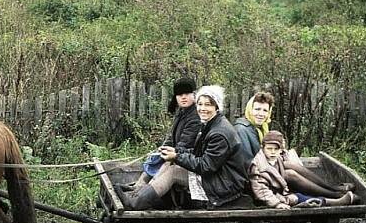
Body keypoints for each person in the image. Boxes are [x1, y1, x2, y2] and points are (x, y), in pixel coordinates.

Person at [117, 85, 249, 210]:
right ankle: (139, 194)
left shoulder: (220, 133)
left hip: (224, 185)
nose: (202, 108)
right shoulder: (211, 124)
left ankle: (136, 203)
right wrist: (176, 152)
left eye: (208, 105)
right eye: (200, 104)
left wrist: (177, 156)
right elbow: (200, 153)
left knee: (174, 171)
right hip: (217, 177)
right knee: (170, 163)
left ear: (217, 107)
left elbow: (206, 166)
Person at [124, 77, 201, 190]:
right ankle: (138, 187)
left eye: (187, 93)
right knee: (154, 158)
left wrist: (170, 152)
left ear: (194, 94)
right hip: (178, 152)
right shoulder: (181, 112)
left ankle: (145, 191)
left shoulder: (195, 117)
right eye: (180, 94)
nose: (183, 97)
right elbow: (171, 136)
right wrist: (163, 147)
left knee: (165, 163)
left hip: (189, 158)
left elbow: (186, 143)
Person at [249, 131, 358, 208]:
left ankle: (334, 190)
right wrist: (277, 203)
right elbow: (261, 191)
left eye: (276, 149)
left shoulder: (274, 157)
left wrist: (281, 145)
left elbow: (282, 154)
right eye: (269, 149)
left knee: (290, 167)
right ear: (262, 148)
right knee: (301, 198)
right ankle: (336, 200)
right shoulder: (259, 167)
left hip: (280, 191)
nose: (272, 152)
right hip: (274, 197)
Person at [235, 91, 275, 164]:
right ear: (250, 110)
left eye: (265, 110)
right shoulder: (241, 130)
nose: (261, 114)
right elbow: (247, 162)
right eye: (257, 109)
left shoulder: (263, 128)